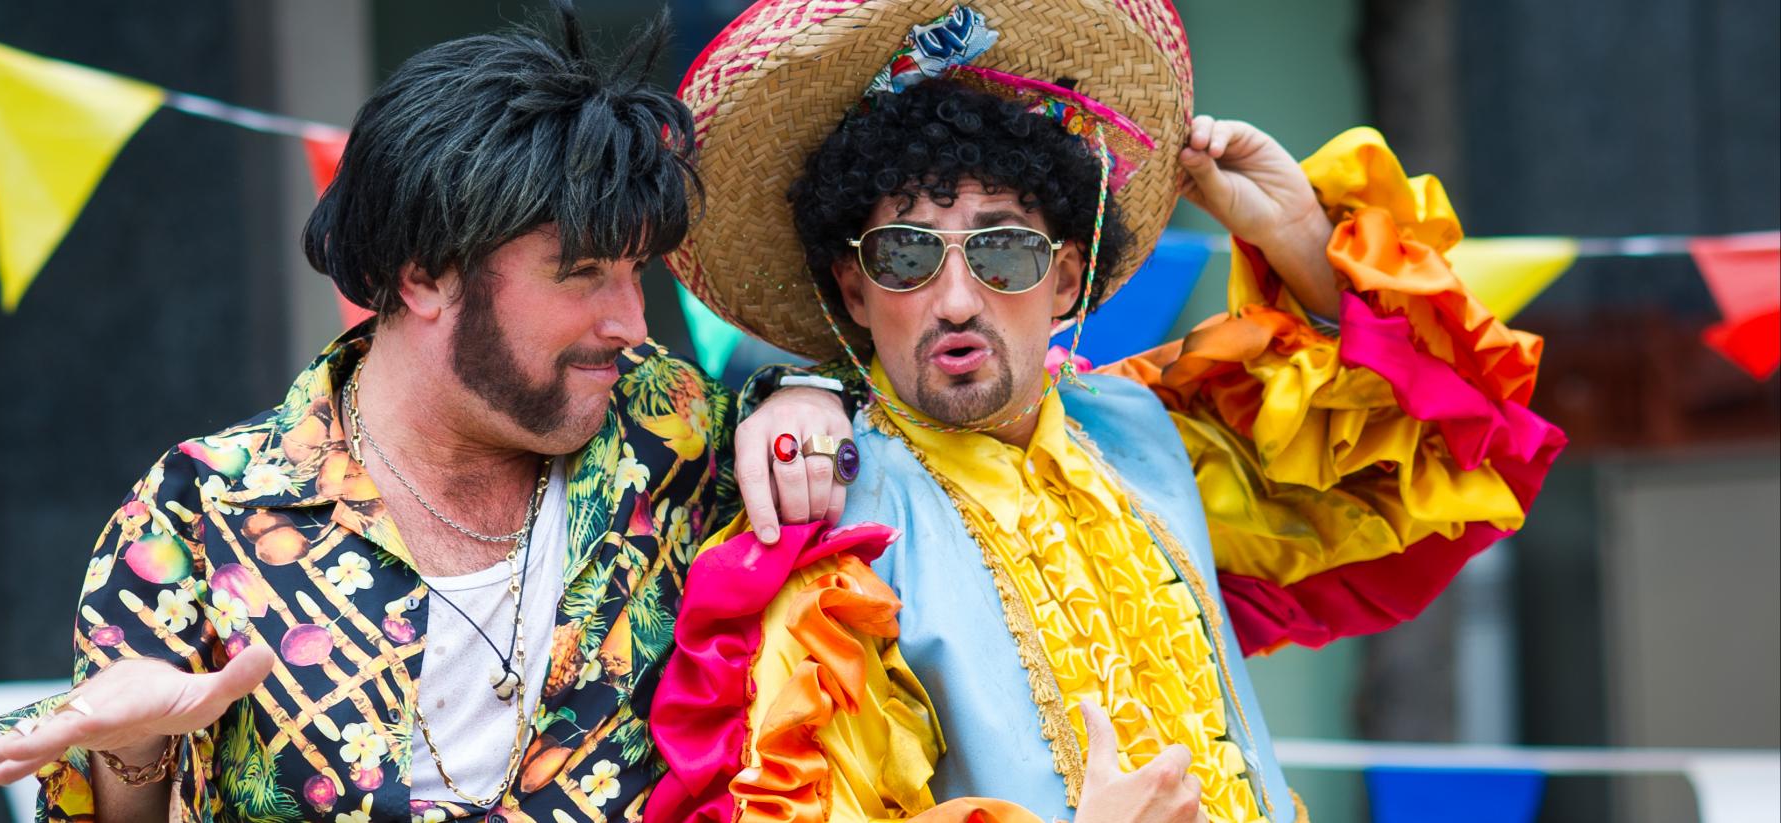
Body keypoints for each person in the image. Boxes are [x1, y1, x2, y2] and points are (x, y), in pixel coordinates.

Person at [649, 2, 1565, 822]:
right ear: (853, 289)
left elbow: (1445, 440)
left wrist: (1302, 242)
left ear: (1067, 278)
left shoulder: (1148, 432)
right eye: (906, 254)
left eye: (1004, 252)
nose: (958, 298)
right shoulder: (834, 539)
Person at [0, 6, 856, 822]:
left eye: (637, 273)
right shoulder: (198, 518)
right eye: (583, 274)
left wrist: (806, 394)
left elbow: (871, 409)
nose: (630, 322)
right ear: (425, 274)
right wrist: (135, 751)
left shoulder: (673, 426)